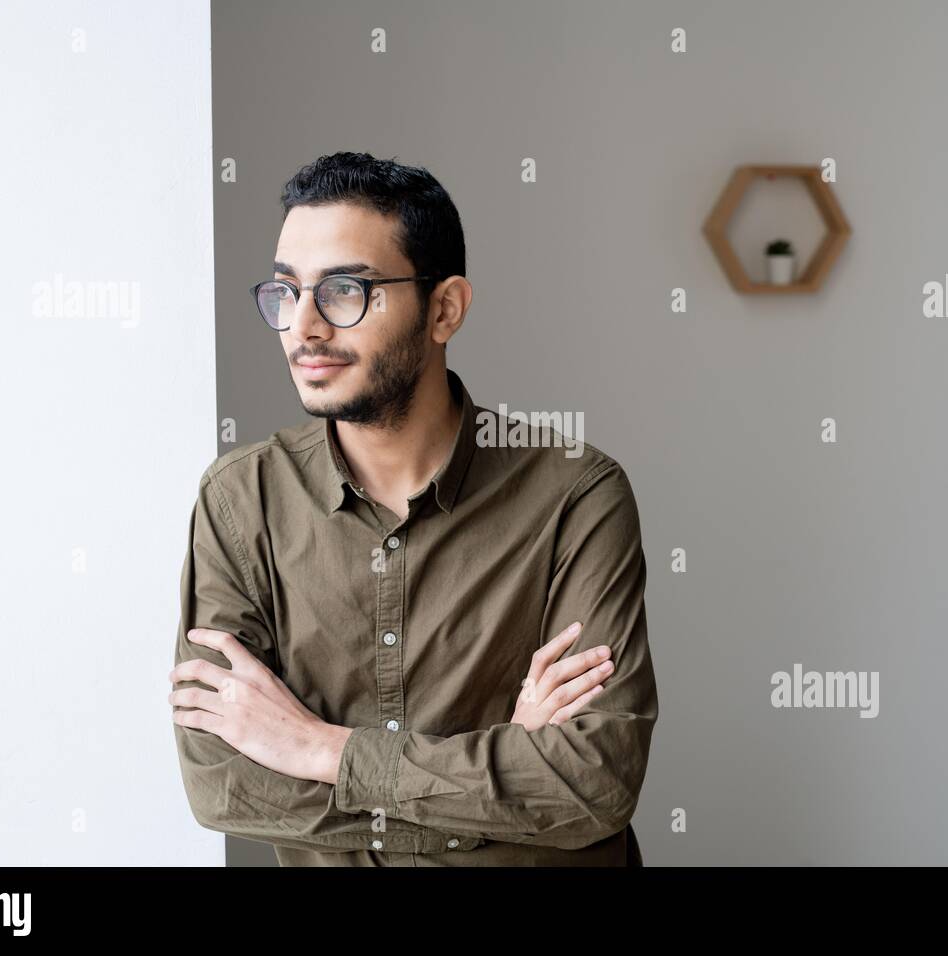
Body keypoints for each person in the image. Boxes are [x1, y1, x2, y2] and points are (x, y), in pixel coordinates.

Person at [168, 152, 658, 866]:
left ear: (444, 309)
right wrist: (506, 781)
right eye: (285, 292)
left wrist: (317, 748)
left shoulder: (576, 496)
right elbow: (225, 786)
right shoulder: (240, 502)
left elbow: (595, 782)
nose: (303, 327)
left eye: (344, 291)